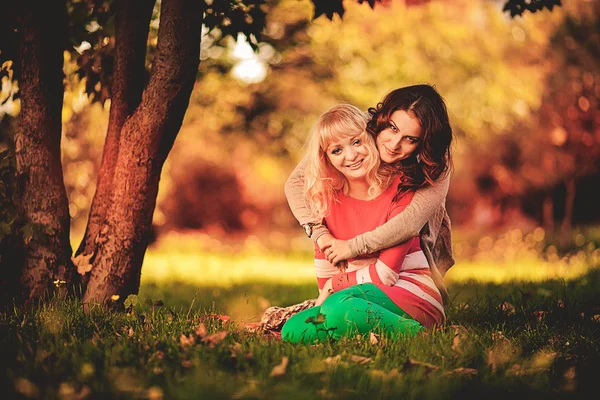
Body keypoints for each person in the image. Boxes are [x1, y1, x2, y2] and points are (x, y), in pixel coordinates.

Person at [281, 100, 451, 343]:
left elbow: (386, 274)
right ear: (326, 157)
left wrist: (332, 286)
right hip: (351, 295)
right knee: (295, 328)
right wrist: (323, 299)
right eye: (336, 150)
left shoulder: (402, 187)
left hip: (409, 292)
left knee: (338, 308)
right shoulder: (326, 198)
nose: (350, 156)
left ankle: (418, 335)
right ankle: (359, 329)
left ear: (370, 137)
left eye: (356, 142)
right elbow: (326, 264)